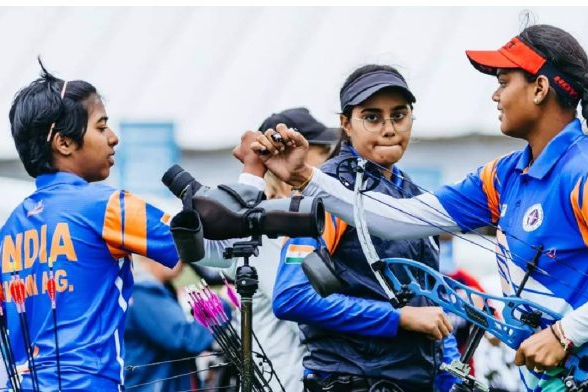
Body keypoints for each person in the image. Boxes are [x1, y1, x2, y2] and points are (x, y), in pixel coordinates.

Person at [250, 26, 588, 391]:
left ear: (540, 88)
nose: (495, 95)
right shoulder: (505, 174)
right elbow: (399, 220)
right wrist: (307, 176)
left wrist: (565, 334)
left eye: (503, 80)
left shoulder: (587, 173)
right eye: (371, 116)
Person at [0, 60, 225, 390]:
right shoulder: (104, 205)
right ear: (63, 143)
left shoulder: (8, 232)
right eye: (102, 127)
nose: (114, 138)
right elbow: (204, 247)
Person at [262, 65, 460, 392]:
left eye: (399, 115)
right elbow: (292, 296)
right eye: (372, 117)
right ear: (346, 124)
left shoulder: (415, 196)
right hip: (352, 381)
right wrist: (398, 318)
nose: (388, 128)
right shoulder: (329, 192)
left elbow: (429, 301)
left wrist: (450, 372)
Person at [196, 107, 338, 392]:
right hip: (284, 382)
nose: (328, 164)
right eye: (321, 153)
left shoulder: (284, 227)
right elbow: (303, 307)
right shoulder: (265, 231)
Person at [124, 256, 215, 391]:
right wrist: (216, 306)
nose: (183, 257)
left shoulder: (147, 291)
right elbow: (186, 340)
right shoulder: (143, 293)